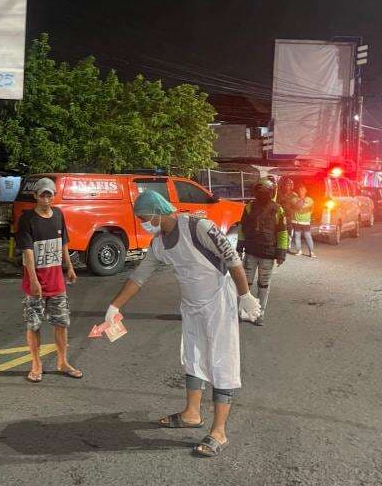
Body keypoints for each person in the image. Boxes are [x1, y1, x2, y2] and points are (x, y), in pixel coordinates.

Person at [103, 190, 260, 458]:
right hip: (191, 307)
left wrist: (244, 295)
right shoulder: (159, 243)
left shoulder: (199, 227)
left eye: (143, 217)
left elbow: (232, 259)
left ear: (158, 210)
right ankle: (191, 413)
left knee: (222, 362)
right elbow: (139, 276)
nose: (143, 222)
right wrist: (114, 307)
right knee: (192, 356)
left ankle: (219, 432)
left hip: (218, 305)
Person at [15, 177, 81, 383]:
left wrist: (69, 267)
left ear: (54, 196)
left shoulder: (59, 215)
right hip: (35, 284)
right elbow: (27, 252)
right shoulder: (27, 219)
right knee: (34, 325)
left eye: (49, 195)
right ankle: (36, 364)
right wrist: (34, 280)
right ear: (35, 196)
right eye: (42, 194)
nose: (45, 199)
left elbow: (63, 244)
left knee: (61, 323)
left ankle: (63, 361)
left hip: (57, 283)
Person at [236, 178, 288, 325]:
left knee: (263, 285)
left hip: (268, 254)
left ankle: (260, 314)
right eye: (259, 191)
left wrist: (281, 253)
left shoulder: (278, 209)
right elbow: (242, 228)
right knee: (245, 284)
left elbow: (282, 233)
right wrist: (239, 248)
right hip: (251, 252)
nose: (262, 194)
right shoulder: (249, 207)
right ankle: (244, 312)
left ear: (271, 192)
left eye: (265, 191)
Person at [290, 184, 316, 257]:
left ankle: (311, 252)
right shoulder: (294, 199)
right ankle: (299, 251)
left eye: (303, 190)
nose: (301, 191)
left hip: (305, 221)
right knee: (297, 236)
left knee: (308, 236)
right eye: (300, 190)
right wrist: (301, 200)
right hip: (296, 221)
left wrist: (302, 201)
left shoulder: (309, 199)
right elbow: (297, 206)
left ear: (306, 191)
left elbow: (310, 207)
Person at [278, 177, 298, 252]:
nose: (287, 186)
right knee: (280, 230)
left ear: (292, 186)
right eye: (286, 184)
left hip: (289, 216)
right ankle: (280, 245)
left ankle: (287, 247)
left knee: (289, 232)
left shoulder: (294, 195)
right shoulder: (279, 193)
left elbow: (296, 206)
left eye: (289, 185)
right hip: (280, 215)